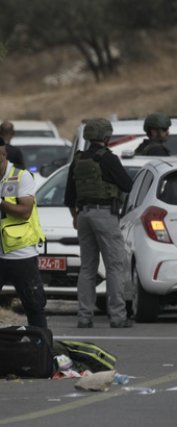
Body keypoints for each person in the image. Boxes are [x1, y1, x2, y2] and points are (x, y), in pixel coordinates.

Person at [0, 134, 47, 344]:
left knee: (34, 305)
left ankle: (42, 348)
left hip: (21, 253)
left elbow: (25, 211)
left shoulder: (22, 177)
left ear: (3, 154)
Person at [65, 119, 135, 328]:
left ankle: (84, 317)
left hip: (83, 214)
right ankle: (118, 316)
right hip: (104, 214)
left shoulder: (78, 159)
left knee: (87, 267)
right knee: (115, 266)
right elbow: (127, 185)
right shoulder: (108, 158)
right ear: (106, 137)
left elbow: (69, 196)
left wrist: (75, 216)